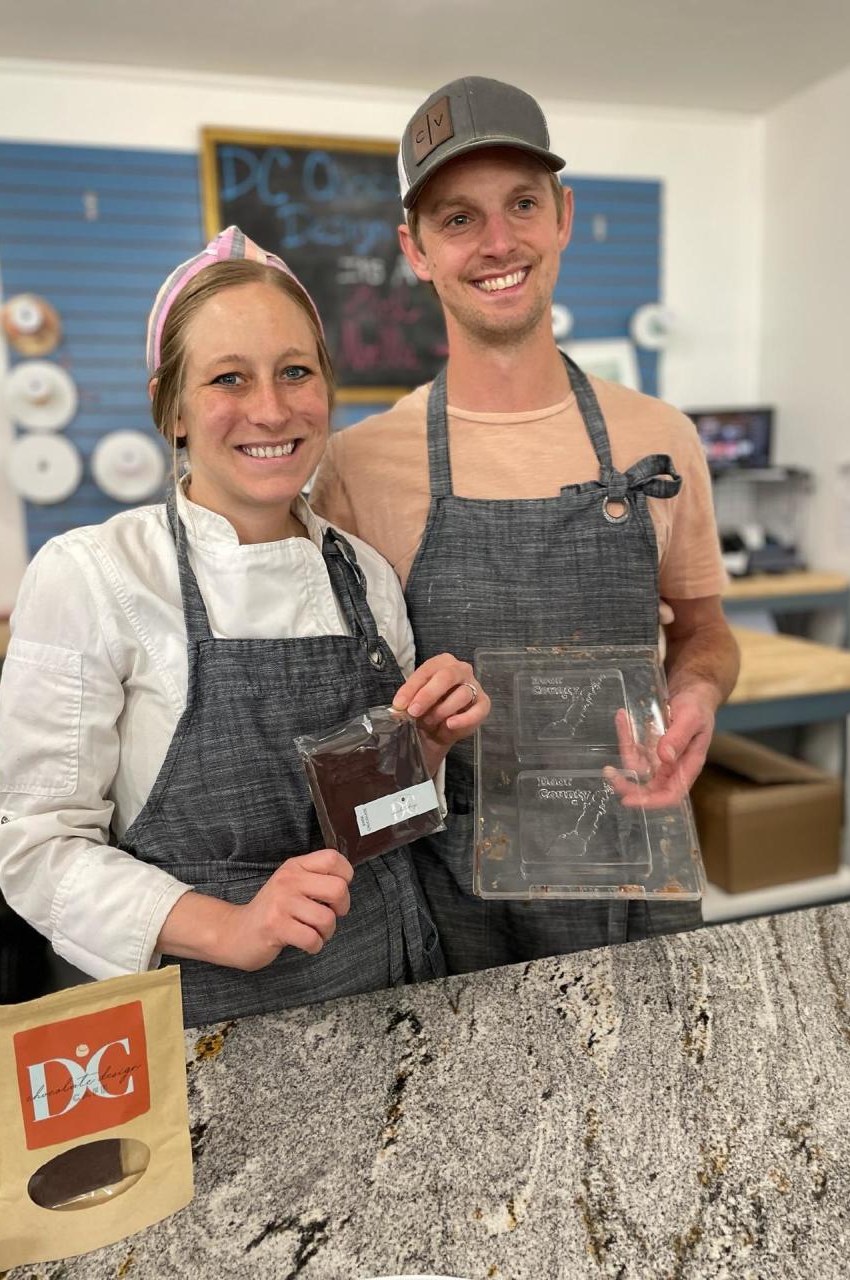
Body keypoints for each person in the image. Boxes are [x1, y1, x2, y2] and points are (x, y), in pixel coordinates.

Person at [0, 226, 489, 1027]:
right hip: (204, 1032)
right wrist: (231, 926)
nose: (271, 408)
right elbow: (35, 846)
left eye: (296, 371)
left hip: (391, 998)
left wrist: (424, 749)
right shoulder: (93, 575)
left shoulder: (366, 575)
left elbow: (372, 824)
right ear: (173, 411)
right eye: (228, 378)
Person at [311, 77, 740, 974]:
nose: (498, 241)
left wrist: (696, 695)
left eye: (521, 205)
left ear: (563, 216)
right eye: (458, 218)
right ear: (416, 250)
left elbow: (704, 632)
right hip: (447, 892)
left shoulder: (660, 438)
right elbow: (344, 723)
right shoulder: (357, 466)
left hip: (635, 865)